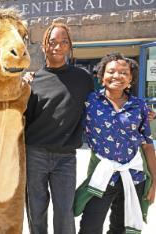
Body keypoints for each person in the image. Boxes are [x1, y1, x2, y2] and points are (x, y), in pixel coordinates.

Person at [74, 53, 156, 234]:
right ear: (102, 77)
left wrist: (154, 182)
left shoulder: (139, 106)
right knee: (90, 227)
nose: (117, 76)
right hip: (102, 177)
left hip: (134, 177)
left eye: (124, 73)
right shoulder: (90, 101)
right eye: (111, 71)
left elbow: (148, 145)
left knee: (121, 229)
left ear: (131, 79)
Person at [25, 22, 94, 234]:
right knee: (36, 210)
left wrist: (142, 111)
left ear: (70, 46)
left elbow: (101, 105)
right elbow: (22, 117)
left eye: (64, 42)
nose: (57, 46)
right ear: (44, 46)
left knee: (65, 211)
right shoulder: (32, 80)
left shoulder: (83, 79)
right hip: (34, 153)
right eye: (52, 42)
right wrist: (23, 87)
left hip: (65, 156)